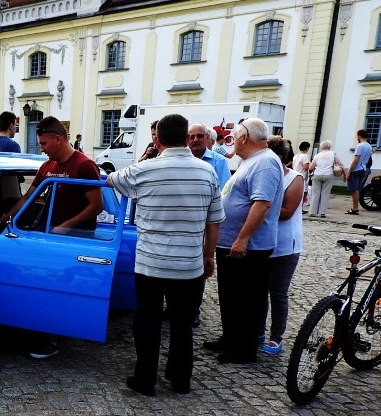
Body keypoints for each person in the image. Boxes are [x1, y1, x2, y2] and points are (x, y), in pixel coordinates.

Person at [107, 113, 224, 396]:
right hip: (189, 264)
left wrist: (146, 159)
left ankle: (145, 380)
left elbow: (111, 179)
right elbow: (214, 221)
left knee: (147, 321)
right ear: (187, 139)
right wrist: (208, 257)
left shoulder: (145, 170)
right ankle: (180, 379)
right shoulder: (207, 172)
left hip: (151, 263)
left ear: (156, 139)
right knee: (183, 324)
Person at [0, 116, 103, 358]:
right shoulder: (47, 167)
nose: (42, 149)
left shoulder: (84, 165)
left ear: (59, 139)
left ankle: (55, 339)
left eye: (44, 144)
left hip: (76, 237)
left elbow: (96, 206)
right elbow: (28, 197)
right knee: (45, 284)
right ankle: (44, 332)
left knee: (64, 288)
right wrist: (7, 217)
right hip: (51, 236)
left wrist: (66, 227)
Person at [204, 118, 283, 364]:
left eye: (234, 136)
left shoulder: (266, 162)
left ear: (244, 137)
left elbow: (262, 204)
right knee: (230, 296)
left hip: (248, 247)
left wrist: (242, 239)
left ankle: (244, 349)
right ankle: (230, 338)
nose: (231, 141)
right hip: (232, 243)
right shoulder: (251, 161)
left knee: (247, 299)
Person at [260, 136, 303, 355]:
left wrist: (256, 208)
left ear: (282, 159)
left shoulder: (295, 179)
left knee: (278, 293)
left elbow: (286, 213)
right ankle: (258, 330)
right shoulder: (262, 176)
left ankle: (276, 337)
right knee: (259, 291)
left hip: (285, 246)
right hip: (261, 242)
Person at [307, 140, 344, 217]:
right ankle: (322, 212)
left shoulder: (317, 155)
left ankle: (312, 212)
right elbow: (340, 164)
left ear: (322, 146)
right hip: (328, 174)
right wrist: (345, 173)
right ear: (330, 146)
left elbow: (311, 167)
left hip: (317, 174)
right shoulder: (333, 154)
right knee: (325, 194)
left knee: (315, 193)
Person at [188, 123, 230, 190]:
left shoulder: (219, 161)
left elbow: (224, 190)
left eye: (199, 136)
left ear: (207, 137)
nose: (195, 140)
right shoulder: (181, 160)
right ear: (187, 139)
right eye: (192, 137)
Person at [345, 129, 371, 214]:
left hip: (356, 169)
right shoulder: (369, 146)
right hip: (363, 168)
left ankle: (355, 208)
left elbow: (355, 160)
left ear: (359, 136)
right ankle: (355, 207)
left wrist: (349, 171)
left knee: (354, 189)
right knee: (357, 189)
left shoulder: (359, 146)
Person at [292, 141, 312, 208]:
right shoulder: (305, 156)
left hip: (295, 175)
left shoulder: (296, 155)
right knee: (304, 192)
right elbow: (306, 167)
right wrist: (310, 165)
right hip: (302, 176)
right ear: (306, 148)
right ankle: (301, 207)